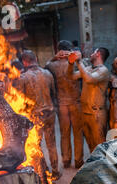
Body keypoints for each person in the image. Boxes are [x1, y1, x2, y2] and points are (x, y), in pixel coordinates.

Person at [15, 50, 60, 179]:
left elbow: (20, 100)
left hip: (35, 116)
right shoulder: (48, 74)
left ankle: (43, 171)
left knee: (36, 144)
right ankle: (56, 171)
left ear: (24, 62)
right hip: (50, 113)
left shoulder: (23, 77)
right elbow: (53, 94)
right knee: (51, 144)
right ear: (35, 58)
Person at [46, 40, 83, 169]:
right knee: (78, 133)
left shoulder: (52, 65)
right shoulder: (75, 64)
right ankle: (78, 160)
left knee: (64, 133)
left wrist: (54, 57)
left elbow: (45, 67)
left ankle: (66, 160)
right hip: (75, 101)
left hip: (61, 103)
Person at [67, 47, 110, 153]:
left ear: (98, 54)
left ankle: (103, 168)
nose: (91, 54)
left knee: (99, 144)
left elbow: (89, 79)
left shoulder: (103, 70)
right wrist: (71, 63)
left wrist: (79, 61)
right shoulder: (89, 69)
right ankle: (95, 167)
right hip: (85, 112)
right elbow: (71, 76)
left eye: (93, 52)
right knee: (91, 145)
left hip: (97, 113)